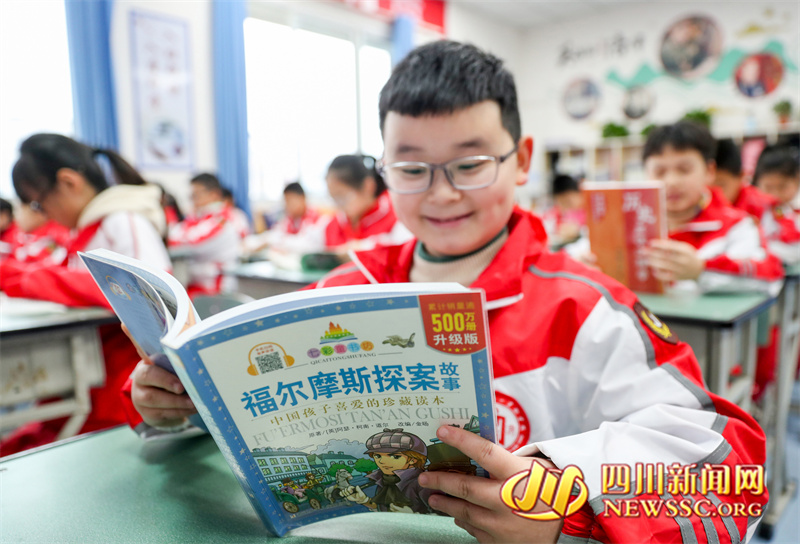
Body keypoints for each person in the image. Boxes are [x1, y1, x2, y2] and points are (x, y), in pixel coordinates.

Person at [123, 41, 767, 543]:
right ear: (384, 169)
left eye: (470, 163)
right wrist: (179, 409)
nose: (442, 192)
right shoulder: (345, 292)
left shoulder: (583, 306)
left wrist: (565, 506)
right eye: (411, 168)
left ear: (522, 159)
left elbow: (729, 470)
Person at [0, 133, 170, 455]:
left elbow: (150, 293)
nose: (44, 214)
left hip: (128, 384)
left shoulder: (123, 220)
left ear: (68, 182)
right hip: (92, 372)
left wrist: (34, 280)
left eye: (38, 203)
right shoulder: (84, 230)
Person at [641, 121, 784, 295]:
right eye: (659, 172)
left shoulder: (738, 226)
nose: (671, 181)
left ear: (709, 171)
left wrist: (701, 271)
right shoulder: (632, 228)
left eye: (684, 170)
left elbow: (769, 279)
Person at [167, 173, 241, 297]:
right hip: (197, 284)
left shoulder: (222, 218)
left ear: (214, 194)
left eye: (196, 195)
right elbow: (175, 234)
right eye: (191, 196)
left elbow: (190, 242)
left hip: (215, 287)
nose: (193, 200)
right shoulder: (199, 217)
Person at [323, 154, 412, 252]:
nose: (338, 206)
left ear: (368, 186)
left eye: (342, 198)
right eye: (333, 198)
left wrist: (362, 249)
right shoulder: (332, 225)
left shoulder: (398, 217)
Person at [343, 428, 433, 514]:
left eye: (395, 456)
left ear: (413, 459)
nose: (382, 461)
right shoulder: (385, 480)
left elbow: (439, 515)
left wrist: (413, 516)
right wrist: (364, 500)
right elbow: (384, 509)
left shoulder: (422, 482)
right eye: (377, 456)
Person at [243, 181, 325, 256]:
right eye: (286, 201)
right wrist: (262, 241)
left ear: (302, 198)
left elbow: (306, 245)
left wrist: (276, 241)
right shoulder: (289, 219)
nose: (287, 205)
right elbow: (275, 234)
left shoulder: (315, 219)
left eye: (290, 200)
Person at [753, 144, 800, 265]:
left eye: (782, 187)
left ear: (797, 179)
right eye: (768, 187)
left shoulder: (795, 210)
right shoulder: (753, 209)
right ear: (757, 182)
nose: (775, 194)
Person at [713, 138, 776, 224]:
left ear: (741, 176)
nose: (714, 192)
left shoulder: (762, 206)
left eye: (721, 185)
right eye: (708, 187)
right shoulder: (701, 206)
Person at [2, 202, 70, 265]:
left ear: (38, 214)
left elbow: (54, 260)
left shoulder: (54, 234)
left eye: (22, 213)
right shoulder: (24, 234)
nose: (18, 219)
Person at [541, 173, 585, 246]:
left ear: (579, 194)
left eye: (568, 201)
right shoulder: (554, 214)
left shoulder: (590, 212)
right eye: (562, 203)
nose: (567, 207)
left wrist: (579, 230)